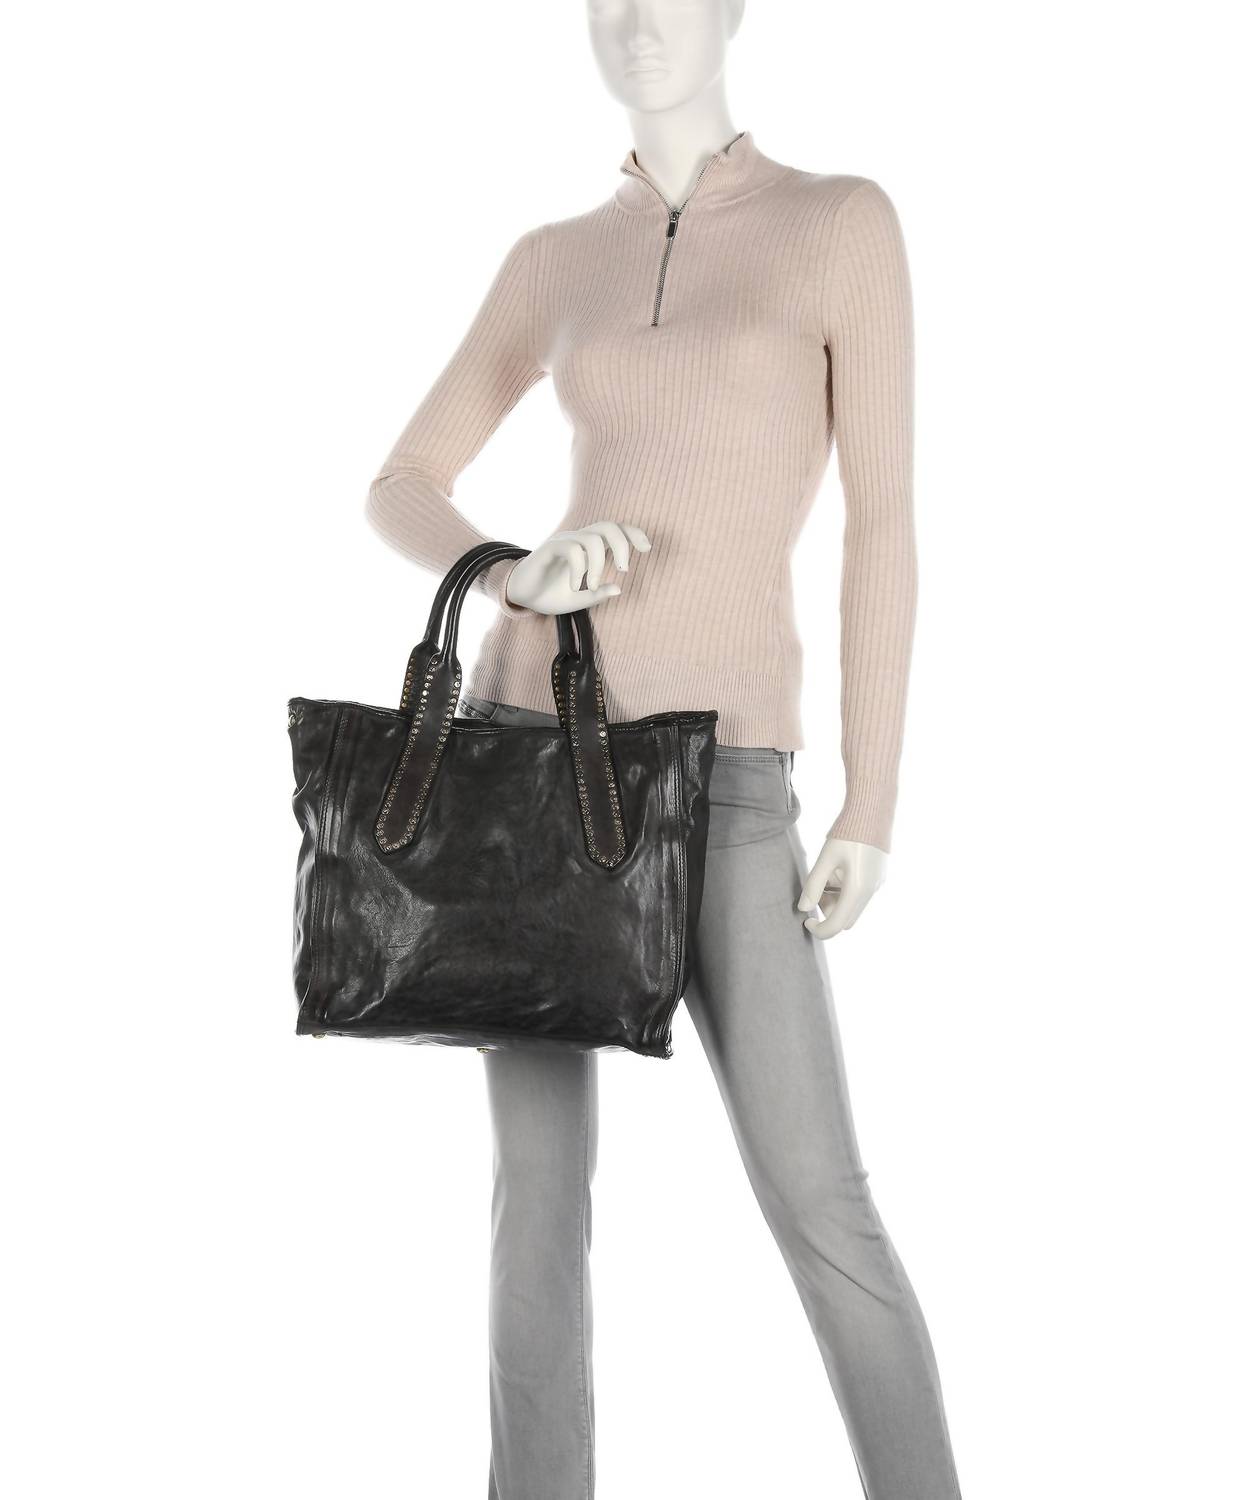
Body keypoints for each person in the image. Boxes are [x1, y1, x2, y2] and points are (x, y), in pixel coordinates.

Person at [363, 21, 962, 1499]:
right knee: (537, 1207)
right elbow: (402, 482)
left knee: (822, 1201)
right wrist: (514, 569)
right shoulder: (554, 258)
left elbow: (882, 526)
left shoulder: (840, 223)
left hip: (729, 775)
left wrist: (873, 798)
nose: (637, 24)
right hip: (532, 755)